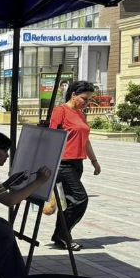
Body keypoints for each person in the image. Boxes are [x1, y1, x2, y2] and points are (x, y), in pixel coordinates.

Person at [0, 126, 51, 278]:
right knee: (4, 233)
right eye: (4, 150)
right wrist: (39, 182)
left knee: (4, 226)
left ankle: (16, 277)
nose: (7, 155)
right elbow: (10, 201)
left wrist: (9, 182)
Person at [48, 80, 102, 251]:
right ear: (73, 95)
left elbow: (85, 141)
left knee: (68, 202)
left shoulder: (80, 114)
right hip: (62, 163)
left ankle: (61, 236)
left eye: (89, 100)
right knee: (80, 199)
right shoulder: (60, 111)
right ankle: (63, 235)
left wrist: (94, 161)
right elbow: (52, 137)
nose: (86, 103)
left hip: (78, 163)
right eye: (84, 98)